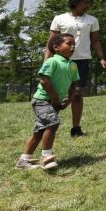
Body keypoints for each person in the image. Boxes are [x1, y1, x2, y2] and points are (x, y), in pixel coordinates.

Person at [45, 0, 106, 137]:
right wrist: (46, 61)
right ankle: (48, 124)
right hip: (61, 61)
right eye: (85, 2)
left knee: (77, 94)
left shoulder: (92, 20)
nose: (88, 5)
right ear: (75, 2)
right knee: (54, 93)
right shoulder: (59, 18)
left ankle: (76, 128)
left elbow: (95, 41)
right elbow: (51, 42)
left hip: (82, 61)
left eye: (89, 3)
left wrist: (101, 58)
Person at [16, 33, 77, 170]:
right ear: (56, 47)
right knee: (53, 123)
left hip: (55, 102)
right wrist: (55, 98)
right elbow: (44, 81)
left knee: (39, 131)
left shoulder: (73, 65)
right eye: (68, 43)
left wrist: (69, 100)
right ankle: (46, 157)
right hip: (42, 101)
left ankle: (24, 160)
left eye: (74, 44)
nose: (72, 46)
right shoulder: (51, 61)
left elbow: (74, 84)